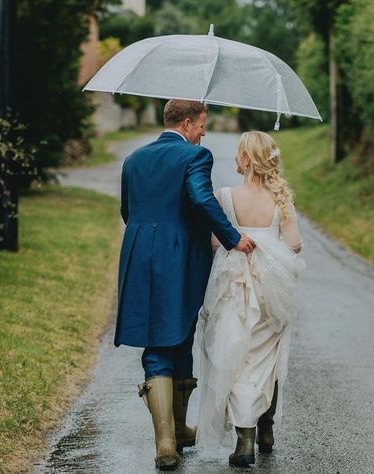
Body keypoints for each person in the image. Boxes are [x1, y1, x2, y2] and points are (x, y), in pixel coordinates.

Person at [115, 99, 255, 470]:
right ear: (188, 123)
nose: (205, 132)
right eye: (203, 124)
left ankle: (172, 433)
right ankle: (169, 438)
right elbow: (201, 198)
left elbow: (128, 211)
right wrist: (231, 236)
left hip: (139, 252)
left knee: (158, 334)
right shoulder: (195, 157)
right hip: (179, 256)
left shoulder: (134, 159)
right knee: (177, 331)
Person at [196, 131, 305, 468]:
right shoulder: (281, 200)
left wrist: (240, 242)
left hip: (234, 286)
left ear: (245, 160)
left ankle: (245, 440)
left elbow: (217, 243)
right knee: (266, 358)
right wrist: (269, 247)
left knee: (235, 355)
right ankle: (266, 425)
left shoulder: (225, 197)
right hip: (271, 289)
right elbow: (295, 244)